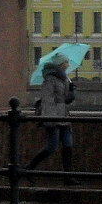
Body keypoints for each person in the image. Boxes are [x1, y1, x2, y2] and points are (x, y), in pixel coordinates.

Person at [24, 53, 78, 185]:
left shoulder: (65, 78)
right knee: (51, 147)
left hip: (64, 117)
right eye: (66, 62)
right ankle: (29, 168)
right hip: (53, 118)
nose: (68, 64)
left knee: (68, 146)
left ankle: (68, 177)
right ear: (60, 64)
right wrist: (50, 118)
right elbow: (47, 100)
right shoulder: (49, 79)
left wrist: (71, 93)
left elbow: (65, 100)